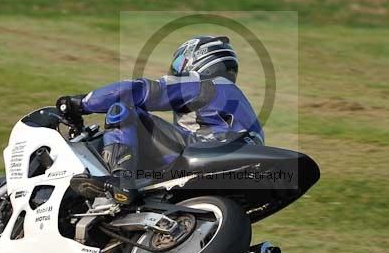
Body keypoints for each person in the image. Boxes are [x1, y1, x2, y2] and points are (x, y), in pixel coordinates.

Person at [56, 35, 263, 205]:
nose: (175, 69)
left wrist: (81, 103)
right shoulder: (241, 105)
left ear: (199, 59)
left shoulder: (205, 83)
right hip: (240, 168)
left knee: (122, 108)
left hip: (208, 148)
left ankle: (120, 179)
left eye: (178, 63)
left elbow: (138, 90)